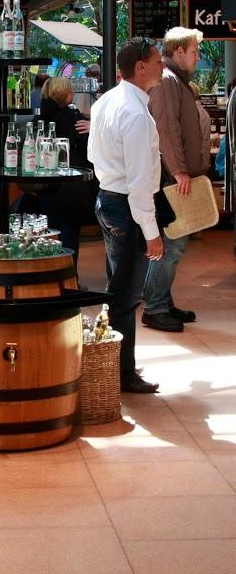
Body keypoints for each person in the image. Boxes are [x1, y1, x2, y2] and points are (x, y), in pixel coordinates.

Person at [87, 37, 166, 394]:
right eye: (157, 60)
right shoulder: (134, 112)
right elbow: (138, 183)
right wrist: (151, 231)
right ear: (141, 66)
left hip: (107, 198)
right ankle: (120, 372)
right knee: (126, 294)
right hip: (127, 206)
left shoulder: (106, 100)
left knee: (118, 286)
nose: (161, 65)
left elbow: (92, 154)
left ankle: (117, 363)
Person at [141, 27, 210, 333]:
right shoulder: (169, 83)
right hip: (172, 180)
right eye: (194, 51)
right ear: (179, 51)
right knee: (171, 246)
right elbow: (167, 131)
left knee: (173, 245)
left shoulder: (175, 83)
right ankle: (155, 308)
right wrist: (180, 170)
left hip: (175, 178)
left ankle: (163, 303)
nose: (197, 56)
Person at [34, 76, 95, 260]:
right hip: (70, 186)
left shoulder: (38, 120)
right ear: (64, 94)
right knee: (69, 234)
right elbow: (88, 148)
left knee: (48, 235)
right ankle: (69, 279)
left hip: (44, 185)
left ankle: (50, 279)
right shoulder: (74, 118)